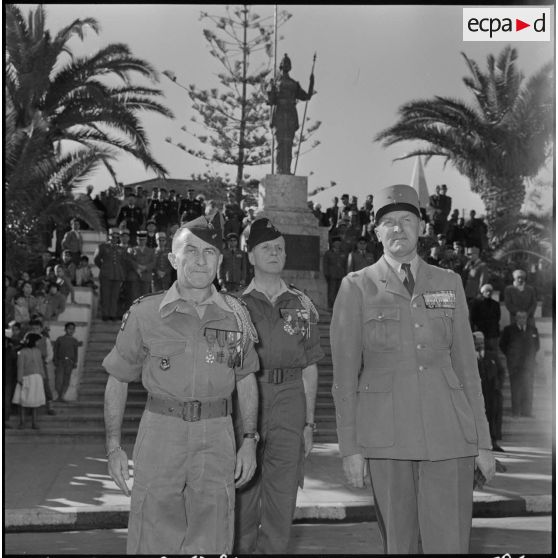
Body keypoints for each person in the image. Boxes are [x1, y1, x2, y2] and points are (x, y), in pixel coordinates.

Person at [330, 184, 495, 554]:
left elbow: (468, 369)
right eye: (388, 222)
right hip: (387, 435)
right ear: (375, 233)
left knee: (450, 542)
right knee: (399, 545)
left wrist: (482, 441)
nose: (397, 228)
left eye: (407, 219)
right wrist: (350, 448)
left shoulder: (448, 283)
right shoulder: (356, 287)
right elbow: (343, 378)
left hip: (449, 431)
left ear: (422, 228)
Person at [102, 213, 260, 554]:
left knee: (214, 530)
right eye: (190, 251)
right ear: (174, 258)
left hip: (217, 435)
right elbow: (118, 378)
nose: (200, 260)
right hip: (161, 432)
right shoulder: (145, 313)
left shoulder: (236, 316)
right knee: (152, 532)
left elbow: (245, 378)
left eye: (209, 252)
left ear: (220, 260)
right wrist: (114, 446)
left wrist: (249, 440)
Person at [234, 217, 323, 554]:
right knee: (243, 490)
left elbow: (310, 366)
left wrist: (309, 422)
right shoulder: (235, 306)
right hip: (248, 401)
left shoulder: (303, 305)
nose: (274, 253)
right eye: (266, 248)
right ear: (251, 256)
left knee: (283, 495)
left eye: (279, 249)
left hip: (290, 402)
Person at [267, 53, 314, 175]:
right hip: (279, 114)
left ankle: (287, 169)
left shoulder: (294, 84)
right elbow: (271, 101)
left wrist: (311, 83)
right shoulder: (275, 82)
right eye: (284, 63)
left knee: (288, 144)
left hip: (291, 114)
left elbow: (306, 96)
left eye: (288, 64)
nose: (286, 65)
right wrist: (271, 90)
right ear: (281, 66)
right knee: (280, 144)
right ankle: (279, 169)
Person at [499, 311, 540, 418]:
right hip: (514, 365)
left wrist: (530, 358)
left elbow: (537, 346)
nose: (522, 319)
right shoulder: (509, 330)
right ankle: (516, 412)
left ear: (526, 318)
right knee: (515, 388)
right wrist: (511, 356)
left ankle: (527, 412)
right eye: (520, 317)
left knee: (528, 388)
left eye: (524, 317)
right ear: (516, 318)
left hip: (528, 365)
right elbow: (502, 345)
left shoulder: (533, 330)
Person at [473, 332, 505, 452]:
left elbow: (501, 371)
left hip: (492, 392)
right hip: (478, 393)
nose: (479, 345)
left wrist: (499, 385)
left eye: (481, 342)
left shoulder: (492, 355)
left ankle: (494, 442)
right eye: (477, 343)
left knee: (494, 417)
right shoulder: (469, 357)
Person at [13, 332, 47, 429]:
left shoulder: (38, 352)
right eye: (37, 341)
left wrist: (43, 376)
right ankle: (22, 422)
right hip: (26, 378)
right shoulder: (23, 352)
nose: (39, 343)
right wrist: (20, 379)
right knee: (23, 401)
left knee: (35, 402)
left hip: (37, 379)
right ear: (33, 341)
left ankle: (34, 423)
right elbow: (20, 366)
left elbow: (40, 365)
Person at [93, 228, 126, 321]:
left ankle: (112, 314)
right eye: (113, 237)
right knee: (105, 295)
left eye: (116, 237)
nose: (114, 239)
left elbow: (123, 262)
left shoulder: (121, 248)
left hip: (117, 275)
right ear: (109, 237)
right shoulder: (103, 247)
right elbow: (96, 259)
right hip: (106, 275)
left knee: (115, 296)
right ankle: (105, 314)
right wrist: (103, 267)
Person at [53, 322, 81, 402]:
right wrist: (55, 360)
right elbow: (55, 350)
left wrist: (75, 362)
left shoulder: (74, 341)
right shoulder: (60, 339)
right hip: (60, 362)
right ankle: (58, 395)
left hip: (70, 362)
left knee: (66, 380)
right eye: (69, 328)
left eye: (73, 329)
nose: (71, 330)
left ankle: (62, 396)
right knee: (58, 380)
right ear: (65, 329)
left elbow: (76, 352)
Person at [470, 283, 501, 352]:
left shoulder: (495, 304)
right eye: (486, 291)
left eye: (490, 291)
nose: (488, 293)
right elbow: (473, 318)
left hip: (493, 332)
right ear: (482, 292)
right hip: (481, 331)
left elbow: (498, 317)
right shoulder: (476, 304)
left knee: (493, 352)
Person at [323, 236, 347, 310]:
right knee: (332, 291)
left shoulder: (343, 253)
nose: (337, 244)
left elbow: (346, 264)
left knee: (340, 291)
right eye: (336, 242)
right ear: (333, 244)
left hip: (341, 274)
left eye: (338, 242)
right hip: (332, 274)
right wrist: (326, 273)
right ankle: (331, 306)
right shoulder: (328, 253)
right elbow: (325, 264)